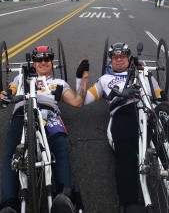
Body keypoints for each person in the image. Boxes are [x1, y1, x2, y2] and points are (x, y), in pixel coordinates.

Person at [0, 46, 89, 213]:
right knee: (11, 155)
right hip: (22, 113)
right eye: (39, 59)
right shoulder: (20, 78)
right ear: (33, 63)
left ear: (52, 62)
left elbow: (77, 102)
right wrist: (4, 96)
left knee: (60, 149)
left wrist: (83, 77)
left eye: (47, 59)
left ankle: (64, 198)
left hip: (50, 116)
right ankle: (9, 205)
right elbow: (9, 93)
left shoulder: (58, 83)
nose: (43, 62)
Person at [83, 42, 161, 213]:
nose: (118, 60)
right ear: (111, 60)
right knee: (126, 151)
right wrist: (81, 79)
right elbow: (84, 99)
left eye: (122, 57)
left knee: (163, 145)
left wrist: (159, 107)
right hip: (124, 112)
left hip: (149, 110)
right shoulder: (105, 79)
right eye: (115, 57)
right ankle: (129, 202)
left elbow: (160, 96)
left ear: (129, 58)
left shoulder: (144, 73)